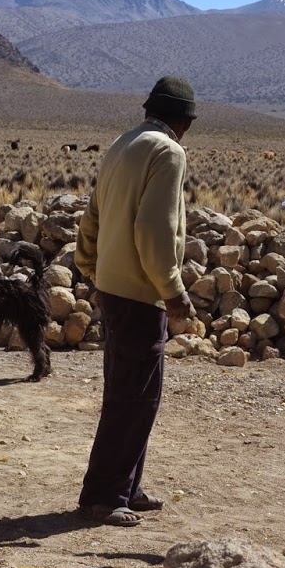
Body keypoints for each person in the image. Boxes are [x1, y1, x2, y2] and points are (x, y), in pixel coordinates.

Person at [73, 75, 198, 527]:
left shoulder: (125, 141)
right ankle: (104, 496)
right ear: (185, 121)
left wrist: (89, 261)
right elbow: (154, 230)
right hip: (140, 292)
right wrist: (173, 290)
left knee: (130, 393)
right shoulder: (167, 151)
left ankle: (126, 487)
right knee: (134, 398)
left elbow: (94, 211)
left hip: (113, 283)